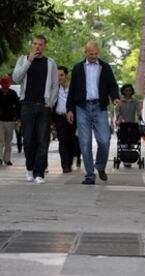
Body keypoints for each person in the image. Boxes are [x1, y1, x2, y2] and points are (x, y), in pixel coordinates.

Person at [66, 41, 121, 185]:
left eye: (96, 54)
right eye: (91, 54)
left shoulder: (105, 67)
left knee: (104, 140)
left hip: (100, 107)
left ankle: (100, 166)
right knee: (85, 143)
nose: (94, 56)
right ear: (85, 52)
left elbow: (112, 85)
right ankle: (90, 175)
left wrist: (115, 98)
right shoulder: (78, 68)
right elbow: (72, 91)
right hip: (82, 108)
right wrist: (70, 109)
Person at [12, 35, 59, 184]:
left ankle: (39, 173)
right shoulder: (23, 59)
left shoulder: (50, 63)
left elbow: (55, 85)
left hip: (43, 106)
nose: (37, 47)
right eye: (35, 44)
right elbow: (16, 78)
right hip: (27, 106)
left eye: (40, 44)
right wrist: (28, 62)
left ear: (45, 46)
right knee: (28, 140)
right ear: (31, 45)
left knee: (43, 140)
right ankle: (29, 168)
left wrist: (50, 103)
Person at [53, 66, 78, 173]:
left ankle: (70, 162)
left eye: (61, 75)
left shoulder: (73, 87)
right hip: (59, 117)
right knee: (63, 141)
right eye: (57, 75)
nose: (59, 77)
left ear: (66, 75)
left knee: (72, 140)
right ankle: (65, 166)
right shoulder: (54, 87)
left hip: (72, 117)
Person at [0, 75, 21, 166]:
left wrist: (19, 118)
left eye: (6, 86)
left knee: (8, 141)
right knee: (0, 140)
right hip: (0, 120)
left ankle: (7, 159)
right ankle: (0, 158)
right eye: (4, 86)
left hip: (10, 120)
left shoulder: (13, 93)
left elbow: (18, 106)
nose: (5, 88)